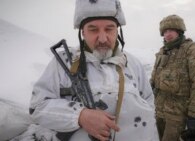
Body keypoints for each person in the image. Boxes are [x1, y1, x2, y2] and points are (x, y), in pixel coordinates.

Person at [29, 0, 159, 141]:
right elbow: (37, 107)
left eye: (109, 29)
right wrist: (80, 116)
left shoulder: (133, 64)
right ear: (83, 32)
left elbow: (149, 106)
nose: (102, 38)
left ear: (117, 31)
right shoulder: (63, 63)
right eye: (93, 29)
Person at [150, 14, 195, 141]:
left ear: (179, 31)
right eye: (165, 31)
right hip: (159, 112)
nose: (167, 34)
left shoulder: (191, 50)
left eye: (171, 30)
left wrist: (194, 116)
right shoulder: (162, 52)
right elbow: (154, 79)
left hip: (177, 115)